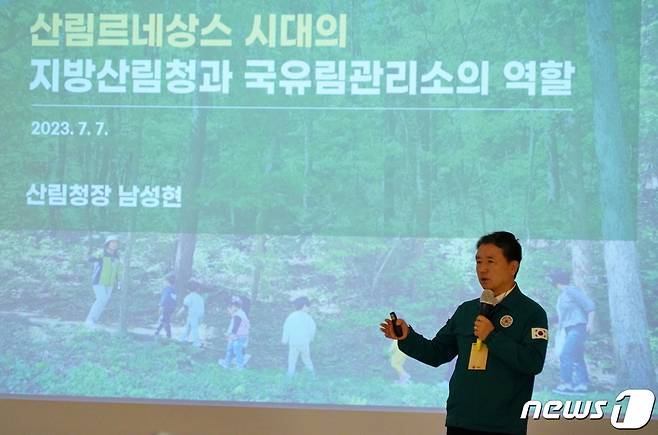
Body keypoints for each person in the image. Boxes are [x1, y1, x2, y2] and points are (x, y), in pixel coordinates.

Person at [380, 231, 548, 435]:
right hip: (461, 422)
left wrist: (491, 337)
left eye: (490, 261)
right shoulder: (467, 311)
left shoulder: (531, 313)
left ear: (513, 266)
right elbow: (437, 353)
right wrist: (407, 337)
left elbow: (532, 363)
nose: (482, 269)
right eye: (478, 262)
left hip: (503, 426)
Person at [550, 268, 595, 394]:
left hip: (578, 327)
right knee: (577, 356)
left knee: (566, 354)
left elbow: (590, 305)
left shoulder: (570, 290)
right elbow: (566, 315)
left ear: (556, 281)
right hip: (570, 328)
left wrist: (591, 323)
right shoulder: (563, 295)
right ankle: (583, 385)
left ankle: (567, 384)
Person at [85, 235, 121, 326]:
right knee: (101, 299)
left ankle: (94, 320)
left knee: (103, 301)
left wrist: (118, 283)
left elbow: (118, 271)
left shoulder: (117, 257)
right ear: (107, 244)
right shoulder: (102, 253)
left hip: (110, 284)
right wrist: (90, 254)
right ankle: (90, 320)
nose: (114, 245)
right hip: (98, 281)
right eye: (112, 243)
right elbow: (90, 259)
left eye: (116, 243)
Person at [282, 296, 317, 377]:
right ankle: (312, 376)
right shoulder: (308, 318)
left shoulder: (291, 316)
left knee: (292, 361)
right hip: (304, 343)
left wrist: (285, 340)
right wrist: (311, 339)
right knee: (307, 360)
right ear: (304, 306)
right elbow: (312, 330)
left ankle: (290, 376)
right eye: (308, 307)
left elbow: (286, 328)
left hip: (293, 342)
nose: (308, 309)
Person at [219, 296, 251, 369]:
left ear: (235, 306)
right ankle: (227, 363)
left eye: (231, 307)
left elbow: (235, 327)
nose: (229, 309)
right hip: (239, 335)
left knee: (237, 350)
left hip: (239, 336)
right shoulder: (239, 313)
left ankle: (240, 367)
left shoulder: (238, 315)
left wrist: (230, 335)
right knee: (230, 349)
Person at [177, 281, 205, 347]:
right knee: (188, 326)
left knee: (194, 328)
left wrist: (179, 313)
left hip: (193, 314)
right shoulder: (200, 297)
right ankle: (182, 338)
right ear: (197, 288)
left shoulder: (189, 296)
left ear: (188, 289)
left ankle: (197, 343)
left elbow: (185, 306)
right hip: (200, 314)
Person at [154, 273, 177, 338]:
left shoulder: (167, 289)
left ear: (167, 281)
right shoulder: (174, 289)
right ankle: (157, 332)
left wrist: (161, 306)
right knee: (163, 319)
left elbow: (164, 298)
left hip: (166, 307)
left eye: (164, 281)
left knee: (165, 321)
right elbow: (174, 299)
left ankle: (168, 335)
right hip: (171, 307)